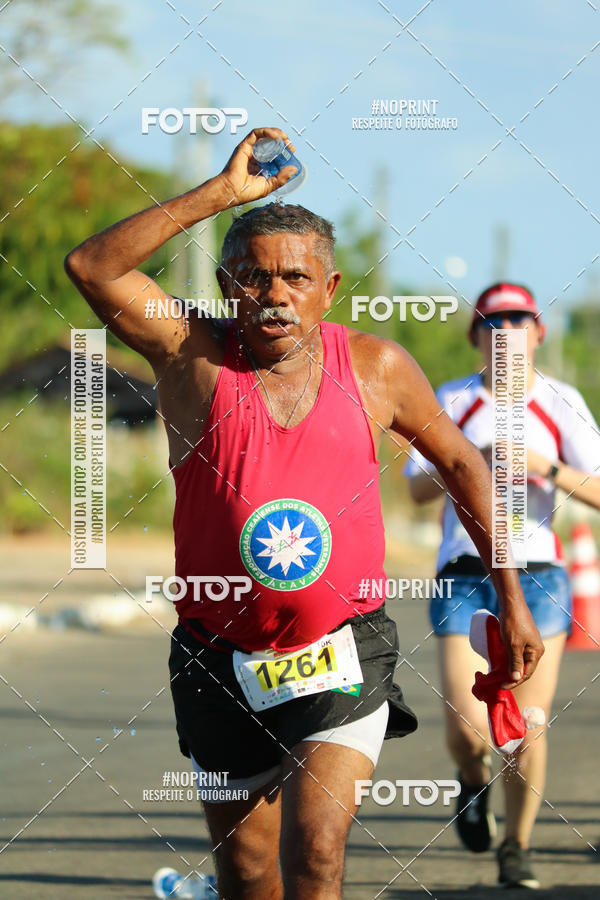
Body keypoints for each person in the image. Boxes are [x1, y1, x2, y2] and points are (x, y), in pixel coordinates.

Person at [65, 130, 544, 900]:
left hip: (343, 650)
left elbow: (464, 465)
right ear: (227, 284)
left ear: (329, 288)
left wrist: (511, 597)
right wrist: (222, 194)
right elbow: (92, 266)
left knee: (316, 850)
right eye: (255, 277)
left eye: (296, 277)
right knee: (248, 875)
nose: (275, 294)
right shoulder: (191, 352)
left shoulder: (377, 367)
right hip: (217, 655)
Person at [405, 282, 600, 889]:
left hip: (539, 577)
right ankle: (471, 782)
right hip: (466, 574)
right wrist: (467, 460)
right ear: (475, 336)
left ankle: (516, 846)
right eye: (494, 321)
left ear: (539, 333)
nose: (507, 331)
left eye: (519, 320)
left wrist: (546, 468)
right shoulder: (452, 398)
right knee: (469, 731)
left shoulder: (561, 400)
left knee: (526, 725)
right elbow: (415, 489)